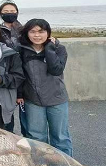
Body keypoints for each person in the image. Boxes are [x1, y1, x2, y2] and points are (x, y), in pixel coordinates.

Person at [17, 19, 72, 156]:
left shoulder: (59, 49)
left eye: (41, 32)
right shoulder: (21, 50)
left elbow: (56, 70)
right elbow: (19, 75)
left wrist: (49, 49)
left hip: (57, 99)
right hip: (33, 100)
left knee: (60, 138)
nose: (37, 35)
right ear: (27, 33)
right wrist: (19, 95)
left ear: (48, 33)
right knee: (36, 138)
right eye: (33, 32)